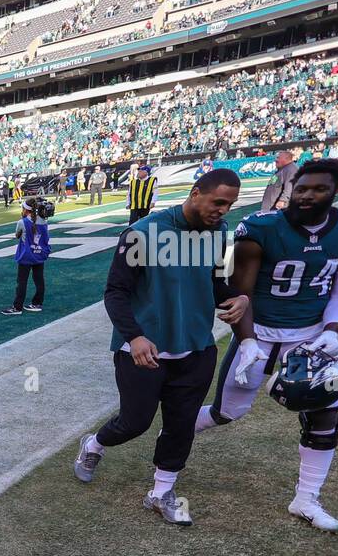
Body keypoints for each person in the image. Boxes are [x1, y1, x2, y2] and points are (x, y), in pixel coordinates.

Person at [195, 160, 338, 532]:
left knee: (324, 417)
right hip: (259, 332)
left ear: (336, 192)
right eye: (302, 187)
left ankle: (306, 498)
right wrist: (245, 341)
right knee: (227, 412)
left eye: (318, 189)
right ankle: (171, 437)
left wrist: (333, 331)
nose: (307, 195)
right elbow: (240, 294)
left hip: (309, 339)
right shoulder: (262, 228)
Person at [74, 168, 246, 525]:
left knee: (181, 423)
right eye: (218, 202)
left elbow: (214, 283)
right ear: (195, 193)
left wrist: (238, 297)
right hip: (144, 350)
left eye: (229, 205)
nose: (223, 211)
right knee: (134, 423)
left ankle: (161, 491)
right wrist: (133, 336)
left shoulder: (218, 233)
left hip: (196, 347)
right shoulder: (143, 232)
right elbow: (116, 293)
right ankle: (93, 446)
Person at [1, 199, 50, 316]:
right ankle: (37, 303)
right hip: (39, 254)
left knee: (22, 282)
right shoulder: (44, 221)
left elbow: (17, 234)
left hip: (26, 256)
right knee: (39, 279)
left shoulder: (22, 222)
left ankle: (17, 307)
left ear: (26, 210)